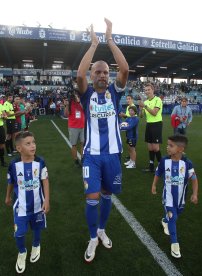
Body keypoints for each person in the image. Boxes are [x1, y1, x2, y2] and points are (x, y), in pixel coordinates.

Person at [77, 18, 129, 262]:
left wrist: (110, 40)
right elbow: (79, 74)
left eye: (105, 72)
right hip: (92, 156)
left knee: (107, 195)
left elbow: (125, 70)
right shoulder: (87, 94)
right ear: (92, 74)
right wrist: (94, 44)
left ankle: (101, 230)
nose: (101, 75)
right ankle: (92, 237)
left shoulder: (115, 94)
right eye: (97, 71)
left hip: (113, 156)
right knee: (92, 197)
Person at [5, 131, 50, 273]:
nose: (33, 146)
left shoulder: (40, 162)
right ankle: (22, 251)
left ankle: (36, 245)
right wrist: (7, 196)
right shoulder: (13, 165)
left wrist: (47, 200)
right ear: (19, 148)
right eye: (28, 143)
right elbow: (11, 182)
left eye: (34, 142)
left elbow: (45, 181)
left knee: (37, 227)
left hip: (38, 204)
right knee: (19, 233)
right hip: (21, 207)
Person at [151, 135, 199, 258]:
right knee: (173, 217)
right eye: (167, 145)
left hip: (180, 198)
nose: (167, 147)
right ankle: (175, 244)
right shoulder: (164, 160)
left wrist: (194, 194)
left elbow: (193, 179)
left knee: (176, 214)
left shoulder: (187, 163)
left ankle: (164, 220)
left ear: (180, 149)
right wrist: (154, 185)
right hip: (168, 197)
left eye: (171, 145)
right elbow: (158, 173)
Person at [138, 83, 163, 173]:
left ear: (153, 90)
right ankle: (151, 166)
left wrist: (144, 106)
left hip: (156, 124)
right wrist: (140, 108)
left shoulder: (158, 100)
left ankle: (161, 167)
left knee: (156, 148)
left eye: (148, 89)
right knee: (150, 148)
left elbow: (154, 113)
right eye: (145, 90)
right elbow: (141, 116)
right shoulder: (146, 102)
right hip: (149, 125)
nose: (147, 91)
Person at [63, 90, 85, 167]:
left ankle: (83, 159)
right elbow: (66, 114)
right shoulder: (70, 102)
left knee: (83, 143)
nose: (75, 96)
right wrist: (66, 105)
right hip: (73, 127)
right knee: (74, 144)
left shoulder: (82, 101)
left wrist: (79, 101)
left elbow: (85, 109)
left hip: (82, 126)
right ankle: (76, 160)